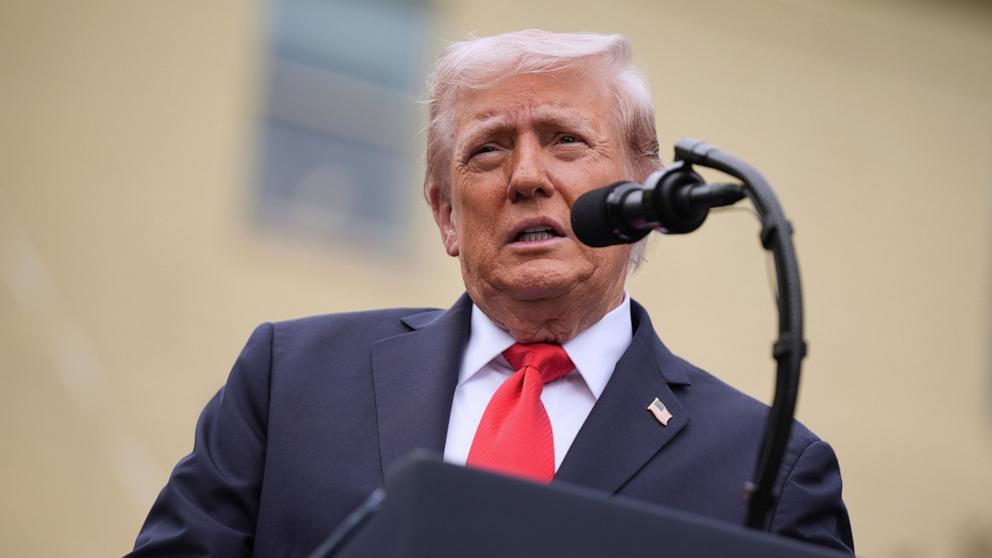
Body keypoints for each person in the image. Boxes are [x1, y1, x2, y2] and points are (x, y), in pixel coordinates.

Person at [128, 30, 854, 556]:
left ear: (645, 196)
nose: (528, 177)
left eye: (567, 140)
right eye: (488, 148)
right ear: (447, 213)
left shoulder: (769, 469)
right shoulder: (293, 380)